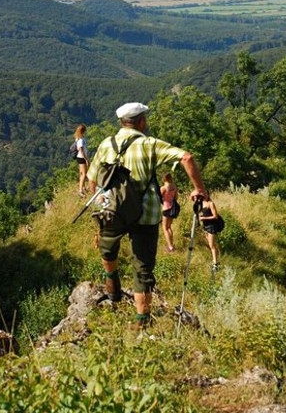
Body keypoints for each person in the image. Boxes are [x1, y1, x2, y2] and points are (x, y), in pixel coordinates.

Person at [87, 102, 207, 330]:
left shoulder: (106, 144)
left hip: (112, 210)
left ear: (123, 122)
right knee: (142, 267)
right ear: (141, 122)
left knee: (108, 248)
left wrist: (102, 205)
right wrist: (200, 190)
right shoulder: (148, 144)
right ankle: (142, 323)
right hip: (145, 213)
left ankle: (112, 291)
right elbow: (187, 158)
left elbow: (93, 179)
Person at [198, 196, 222, 271]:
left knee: (212, 245)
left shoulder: (210, 203)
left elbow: (215, 216)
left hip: (211, 226)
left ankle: (215, 265)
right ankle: (216, 260)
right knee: (210, 244)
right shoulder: (201, 203)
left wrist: (203, 218)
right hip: (205, 226)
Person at [160, 172, 179, 253]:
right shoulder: (174, 187)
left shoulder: (163, 188)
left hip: (165, 208)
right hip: (172, 208)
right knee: (169, 227)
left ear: (164, 179)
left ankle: (170, 246)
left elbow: (159, 198)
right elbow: (176, 197)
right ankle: (172, 244)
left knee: (164, 228)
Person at [73, 124, 89, 197]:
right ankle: (81, 190)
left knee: (82, 173)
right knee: (84, 174)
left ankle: (83, 187)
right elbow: (81, 150)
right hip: (82, 157)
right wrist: (86, 159)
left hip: (80, 157)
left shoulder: (78, 138)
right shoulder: (81, 140)